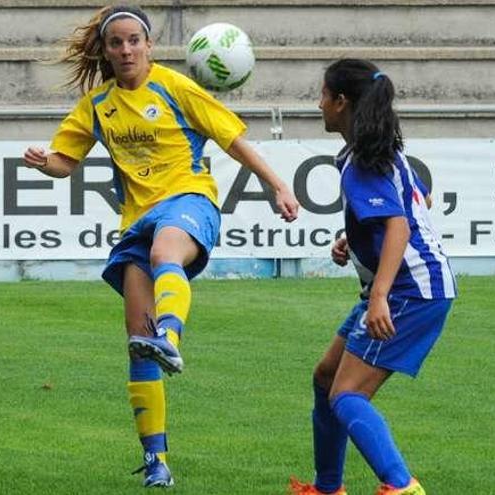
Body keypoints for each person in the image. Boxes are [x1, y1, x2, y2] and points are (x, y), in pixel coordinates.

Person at [23, 5, 299, 488]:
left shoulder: (176, 87)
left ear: (150, 46)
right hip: (136, 221)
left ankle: (171, 336)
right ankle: (156, 460)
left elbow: (232, 139)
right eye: (117, 43)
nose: (126, 49)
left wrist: (278, 184)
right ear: (105, 51)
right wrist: (44, 162)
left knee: (164, 255)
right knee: (135, 341)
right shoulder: (97, 105)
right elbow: (66, 161)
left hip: (189, 200)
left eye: (134, 41)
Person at [288, 59, 457, 495]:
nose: (319, 103)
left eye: (323, 95)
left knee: (346, 395)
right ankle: (327, 489)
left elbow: (399, 224)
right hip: (412, 286)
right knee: (326, 377)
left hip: (409, 291)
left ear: (341, 102)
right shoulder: (376, 148)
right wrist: (355, 236)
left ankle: (402, 488)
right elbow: (422, 200)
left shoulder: (363, 160)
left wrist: (380, 293)